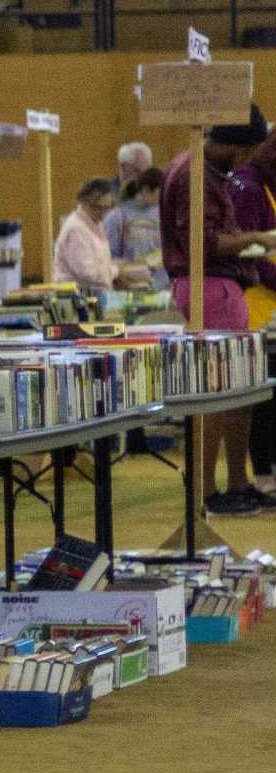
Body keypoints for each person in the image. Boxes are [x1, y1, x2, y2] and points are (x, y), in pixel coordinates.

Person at [161, 109, 276, 517]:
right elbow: (203, 243)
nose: (248, 159)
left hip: (218, 286)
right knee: (218, 391)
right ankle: (209, 490)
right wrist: (256, 238)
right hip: (209, 286)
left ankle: (235, 481)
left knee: (234, 391)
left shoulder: (203, 167)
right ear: (232, 144)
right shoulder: (196, 173)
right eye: (247, 149)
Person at [52, 176, 145, 296]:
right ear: (83, 202)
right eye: (97, 207)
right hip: (77, 297)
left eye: (106, 208)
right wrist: (116, 271)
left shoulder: (95, 223)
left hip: (95, 294)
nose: (102, 213)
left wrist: (115, 274)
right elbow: (86, 273)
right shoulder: (75, 229)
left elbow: (100, 263)